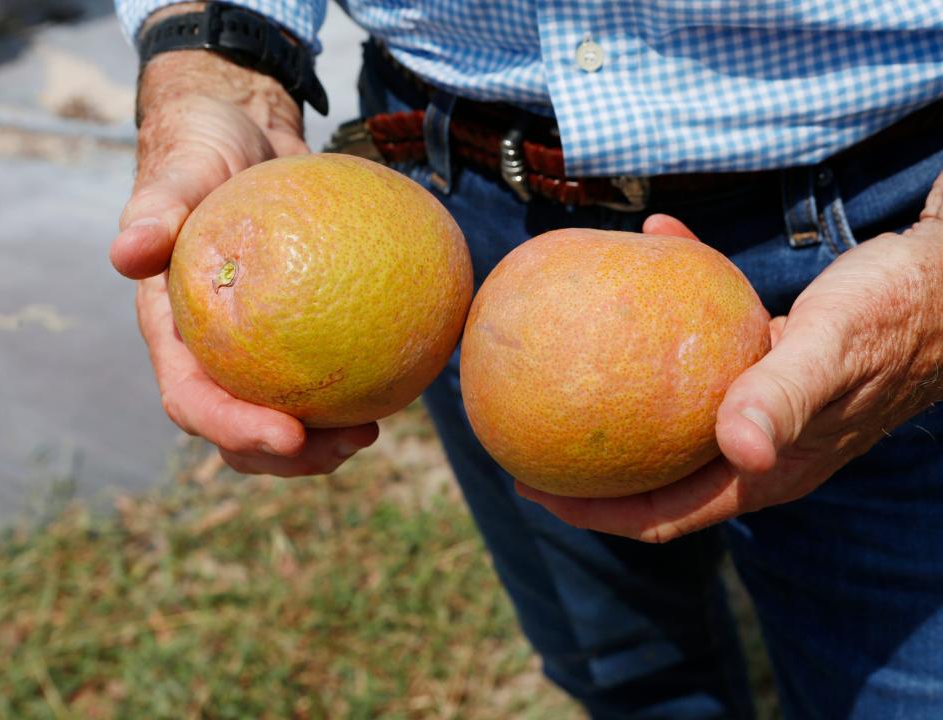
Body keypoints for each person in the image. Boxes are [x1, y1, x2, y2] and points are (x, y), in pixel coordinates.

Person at [111, 2, 943, 718]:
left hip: (889, 205)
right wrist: (220, 61)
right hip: (441, 219)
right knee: (624, 668)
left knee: (912, 685)